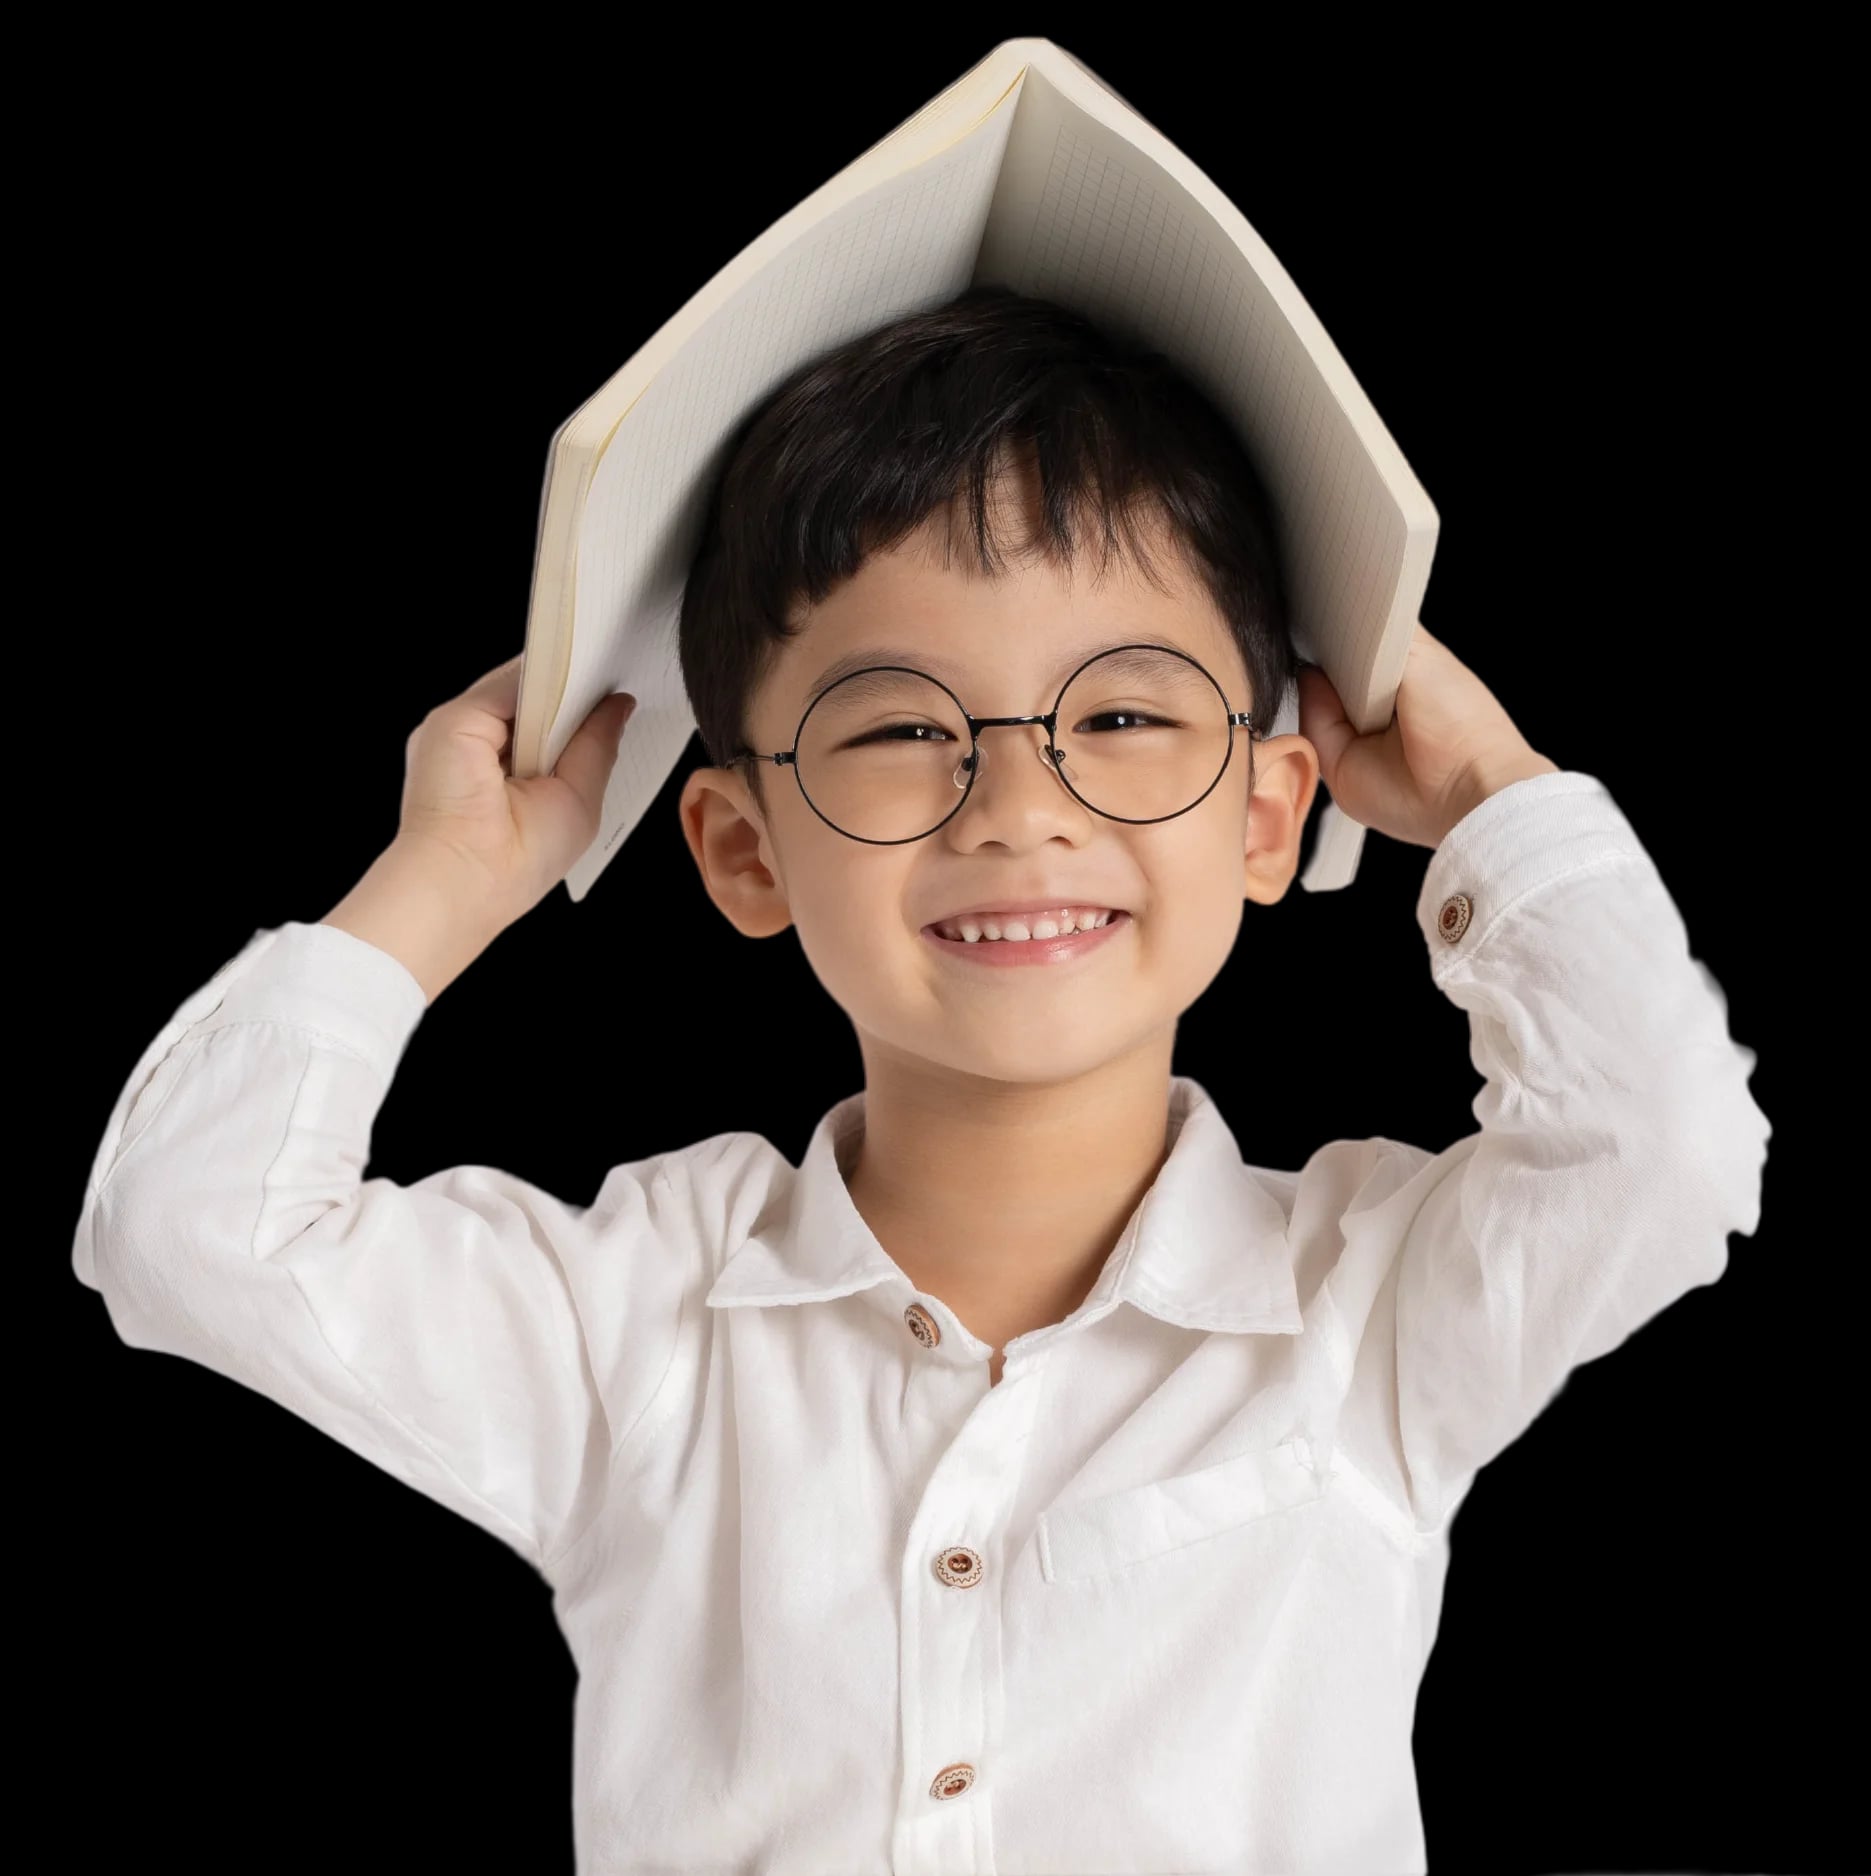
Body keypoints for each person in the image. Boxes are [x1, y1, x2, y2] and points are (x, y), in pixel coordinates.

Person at [70, 285, 1770, 1872]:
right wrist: (443, 881)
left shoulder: (1370, 1314)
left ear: (1268, 816)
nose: (1017, 807)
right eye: (895, 726)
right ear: (742, 849)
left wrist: (1488, 786)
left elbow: (1668, 1146)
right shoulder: (634, 1325)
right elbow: (191, 1230)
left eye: (1120, 719)